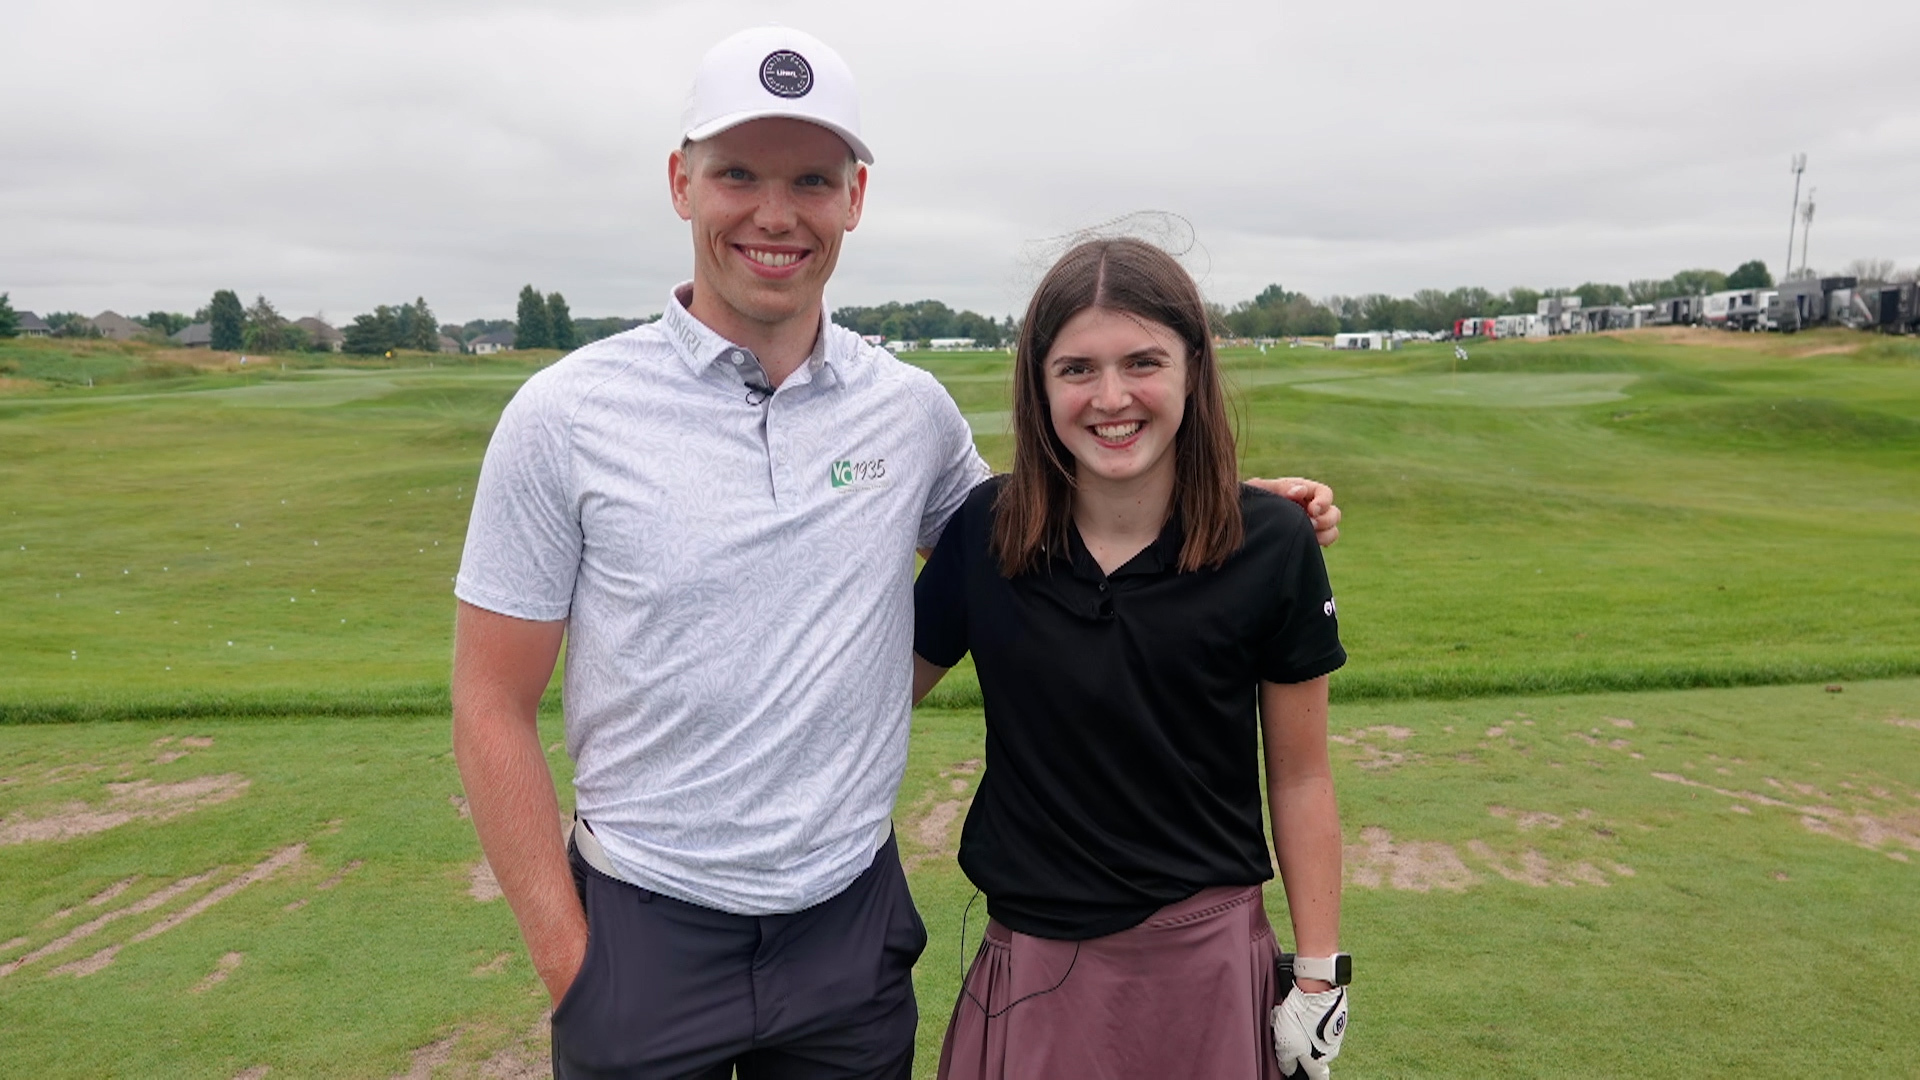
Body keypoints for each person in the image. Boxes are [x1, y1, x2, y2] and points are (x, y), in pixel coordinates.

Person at [451, 26, 1342, 1080]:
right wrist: (576, 973)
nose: (775, 213)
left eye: (812, 180)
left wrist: (1237, 508)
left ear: (855, 198)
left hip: (847, 930)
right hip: (648, 919)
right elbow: (490, 706)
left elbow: (1059, 516)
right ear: (680, 181)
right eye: (738, 171)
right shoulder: (563, 415)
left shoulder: (908, 414)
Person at [912, 238, 1350, 1080]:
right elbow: (870, 696)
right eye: (1077, 369)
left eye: (1143, 362)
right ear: (1040, 385)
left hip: (1208, 961)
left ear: (1193, 368)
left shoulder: (1272, 543)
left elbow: (1301, 777)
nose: (1112, 398)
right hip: (1033, 962)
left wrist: (1321, 976)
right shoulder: (989, 532)